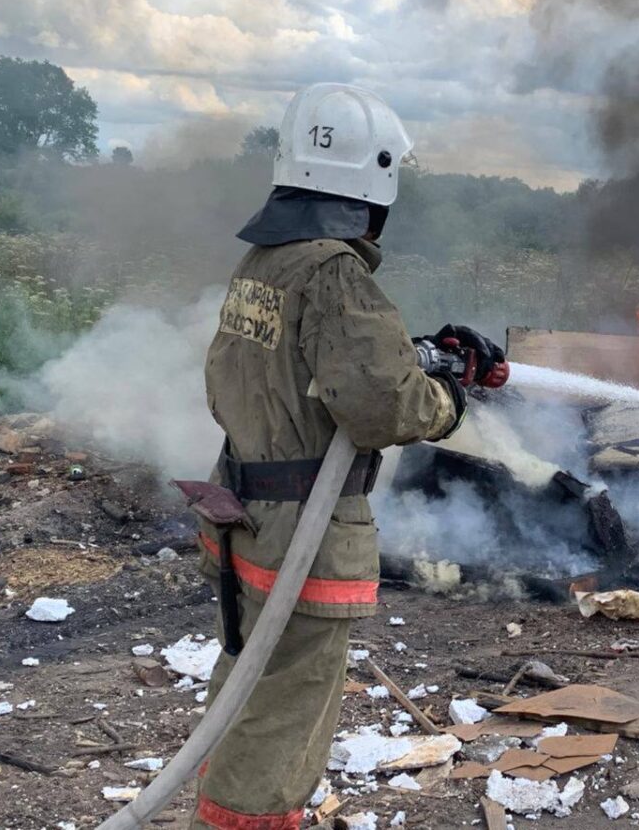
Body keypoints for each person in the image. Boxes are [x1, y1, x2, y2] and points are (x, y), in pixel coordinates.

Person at [192, 83, 503, 829]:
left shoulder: (266, 261)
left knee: (249, 688)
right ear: (376, 179)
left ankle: (217, 810)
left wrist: (418, 351)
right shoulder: (334, 271)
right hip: (302, 532)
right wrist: (448, 398)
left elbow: (308, 371)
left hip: (243, 512)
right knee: (285, 717)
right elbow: (381, 406)